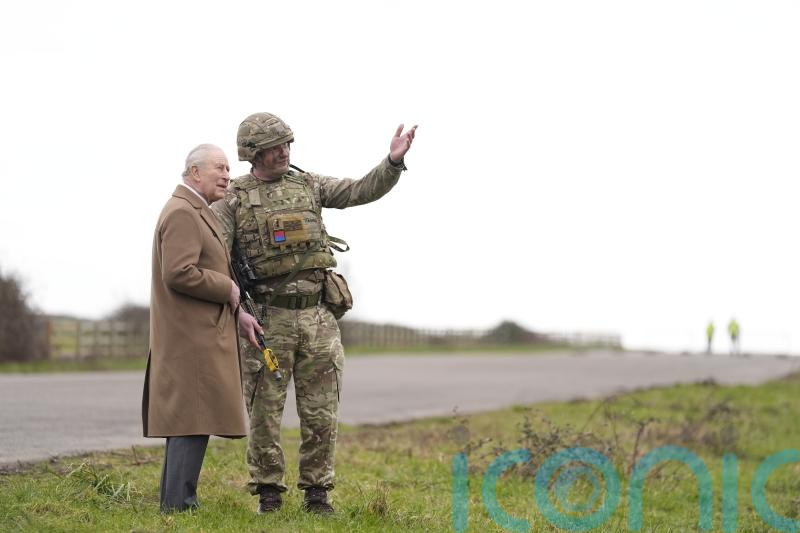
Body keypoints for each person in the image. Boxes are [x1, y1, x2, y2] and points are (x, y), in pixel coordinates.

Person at [211, 112, 417, 514]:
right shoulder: (233, 198)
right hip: (266, 321)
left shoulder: (309, 185)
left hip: (318, 318)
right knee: (264, 411)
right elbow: (216, 258)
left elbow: (359, 190)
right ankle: (268, 493)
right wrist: (237, 311)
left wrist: (391, 163)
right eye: (274, 148)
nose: (284, 152)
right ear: (253, 153)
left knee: (321, 410)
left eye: (287, 144)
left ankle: (317, 494)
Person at [142, 144, 246, 513]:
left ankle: (177, 501)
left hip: (196, 336)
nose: (227, 175)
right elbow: (179, 272)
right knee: (190, 421)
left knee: (190, 421)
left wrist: (237, 309)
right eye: (219, 167)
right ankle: (179, 505)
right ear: (194, 172)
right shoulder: (184, 212)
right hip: (191, 338)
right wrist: (227, 288)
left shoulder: (194, 210)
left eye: (229, 169)